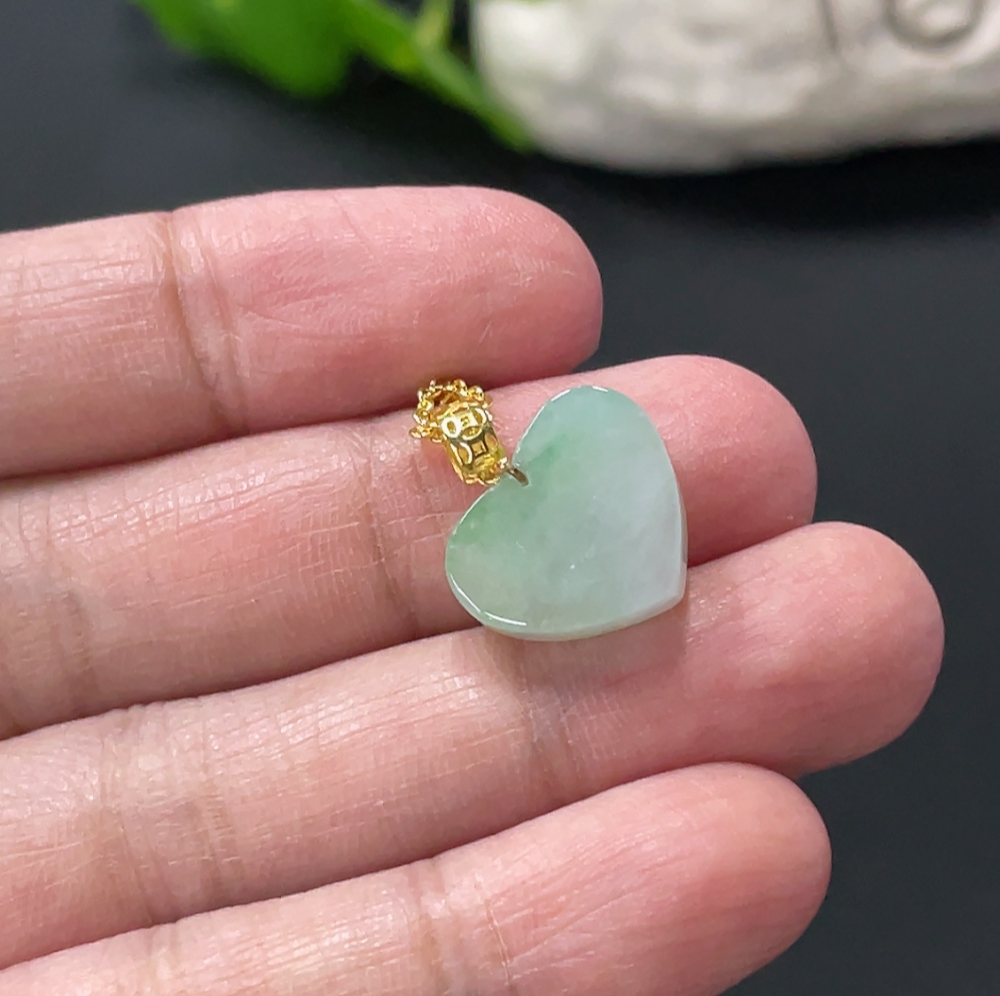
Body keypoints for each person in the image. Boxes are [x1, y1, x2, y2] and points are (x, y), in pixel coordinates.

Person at [0, 186, 943, 995]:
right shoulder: (485, 549)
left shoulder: (593, 433)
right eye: (456, 437)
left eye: (466, 432)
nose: (468, 442)